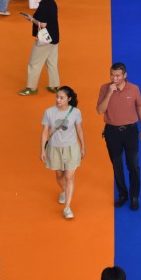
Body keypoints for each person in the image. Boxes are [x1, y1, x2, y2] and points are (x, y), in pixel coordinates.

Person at [96, 63, 141, 211]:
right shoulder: (104, 88)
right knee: (117, 165)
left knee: (133, 165)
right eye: (112, 75)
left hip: (130, 132)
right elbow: (100, 111)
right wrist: (109, 94)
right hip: (112, 132)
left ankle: (134, 196)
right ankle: (122, 194)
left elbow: (140, 107)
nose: (114, 78)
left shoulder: (134, 89)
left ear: (125, 75)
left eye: (118, 75)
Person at [36, 84, 86, 219]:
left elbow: (79, 130)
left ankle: (67, 207)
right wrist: (42, 150)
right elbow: (45, 132)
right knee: (59, 174)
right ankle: (64, 190)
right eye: (57, 97)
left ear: (69, 99)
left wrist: (83, 146)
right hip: (54, 147)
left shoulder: (76, 112)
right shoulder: (49, 112)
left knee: (69, 176)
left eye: (61, 98)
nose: (58, 100)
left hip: (71, 148)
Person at [19, 0, 61, 96]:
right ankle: (54, 86)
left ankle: (31, 88)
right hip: (54, 37)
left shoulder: (43, 6)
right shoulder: (52, 3)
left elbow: (43, 24)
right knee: (52, 62)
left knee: (34, 63)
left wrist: (31, 19)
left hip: (45, 39)